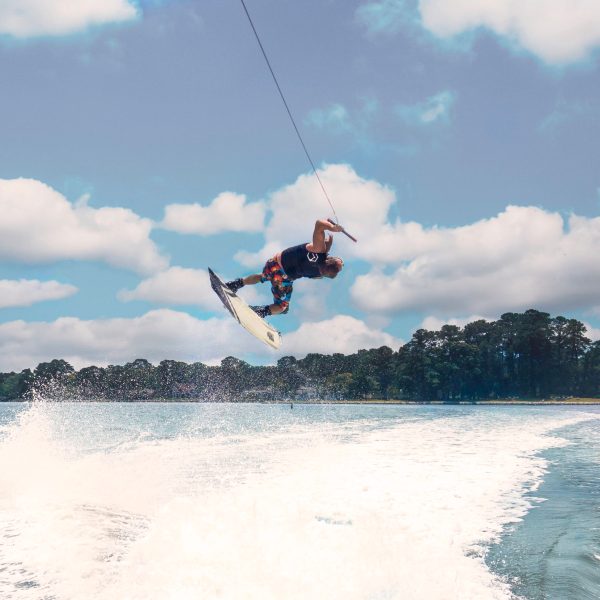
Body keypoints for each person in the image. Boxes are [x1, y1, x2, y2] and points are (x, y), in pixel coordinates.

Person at [226, 219, 344, 317]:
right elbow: (321, 265)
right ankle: (258, 312)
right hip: (282, 279)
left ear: (329, 259)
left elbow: (319, 224)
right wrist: (327, 246)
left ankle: (236, 284)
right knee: (282, 308)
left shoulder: (319, 250)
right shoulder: (320, 274)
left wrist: (332, 229)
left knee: (263, 277)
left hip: (274, 263)